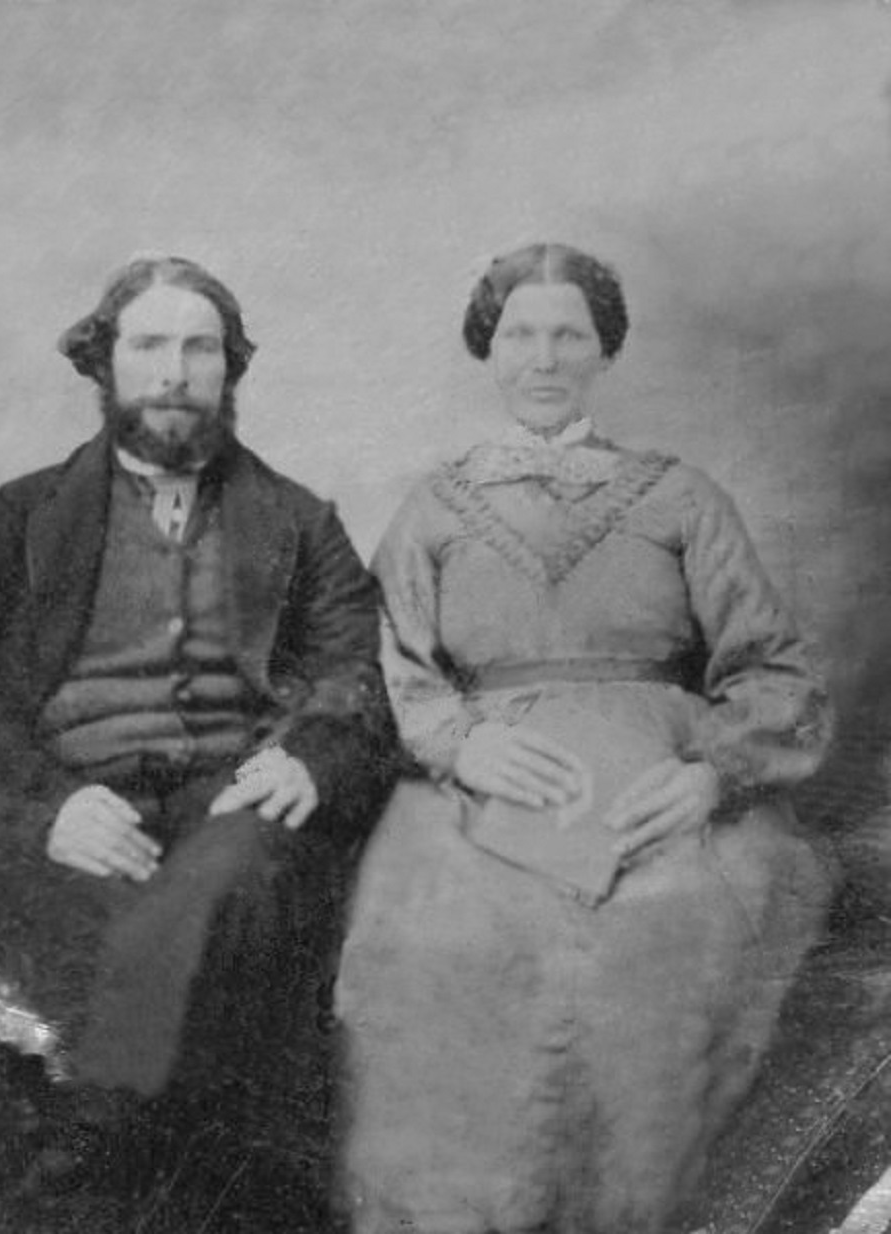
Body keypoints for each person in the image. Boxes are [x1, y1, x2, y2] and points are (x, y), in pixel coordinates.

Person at [335, 242, 835, 1234]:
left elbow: (774, 670)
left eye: (569, 334)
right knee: (436, 936)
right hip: (473, 788)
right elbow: (380, 659)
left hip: (659, 779)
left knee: (671, 929)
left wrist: (712, 775)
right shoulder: (437, 502)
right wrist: (454, 742)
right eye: (521, 333)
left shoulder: (679, 496)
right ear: (490, 349)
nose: (544, 357)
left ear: (604, 349)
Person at [0, 255, 398, 1215]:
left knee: (239, 877)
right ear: (104, 364)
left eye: (200, 348)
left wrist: (312, 754)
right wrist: (50, 804)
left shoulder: (298, 521)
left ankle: (101, 1126)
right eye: (151, 346)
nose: (175, 371)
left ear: (230, 369)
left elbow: (355, 668)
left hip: (229, 795)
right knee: (146, 942)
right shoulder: (23, 517)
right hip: (72, 801)